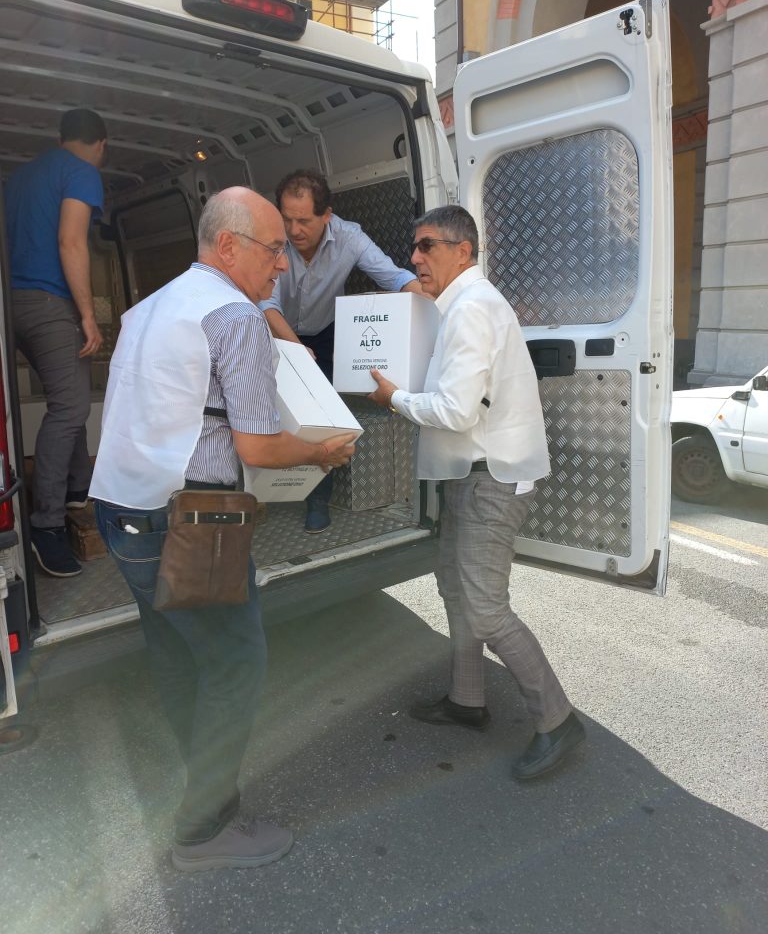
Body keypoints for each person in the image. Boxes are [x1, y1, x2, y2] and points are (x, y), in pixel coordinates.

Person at [90, 187, 355, 872]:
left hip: (119, 508)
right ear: (229, 245)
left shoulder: (148, 308)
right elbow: (259, 446)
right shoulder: (235, 317)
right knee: (236, 662)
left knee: (177, 653)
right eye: (274, 249)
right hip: (190, 522)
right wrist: (322, 452)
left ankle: (200, 786)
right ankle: (202, 830)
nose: (283, 265)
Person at [368, 206, 585, 781]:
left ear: (463, 250)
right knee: (455, 587)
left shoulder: (471, 309)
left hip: (493, 478)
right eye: (414, 246)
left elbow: (456, 410)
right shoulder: (460, 307)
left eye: (427, 245)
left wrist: (394, 398)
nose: (415, 257)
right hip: (472, 472)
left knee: (485, 608)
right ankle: (467, 699)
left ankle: (557, 720)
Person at [259, 168, 422, 534]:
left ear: (327, 215)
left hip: (326, 332)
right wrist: (297, 350)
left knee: (326, 416)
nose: (293, 230)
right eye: (287, 219)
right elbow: (266, 304)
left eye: (303, 220)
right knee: (263, 408)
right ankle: (260, 491)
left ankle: (318, 499)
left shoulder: (350, 237)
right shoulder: (272, 239)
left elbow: (396, 278)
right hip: (272, 329)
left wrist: (440, 308)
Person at [5, 108, 107, 578]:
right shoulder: (81, 172)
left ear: (61, 135)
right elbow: (71, 242)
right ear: (101, 144)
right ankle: (45, 525)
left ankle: (76, 489)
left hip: (11, 304)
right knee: (70, 407)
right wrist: (87, 314)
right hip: (49, 304)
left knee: (69, 396)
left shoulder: (20, 178)